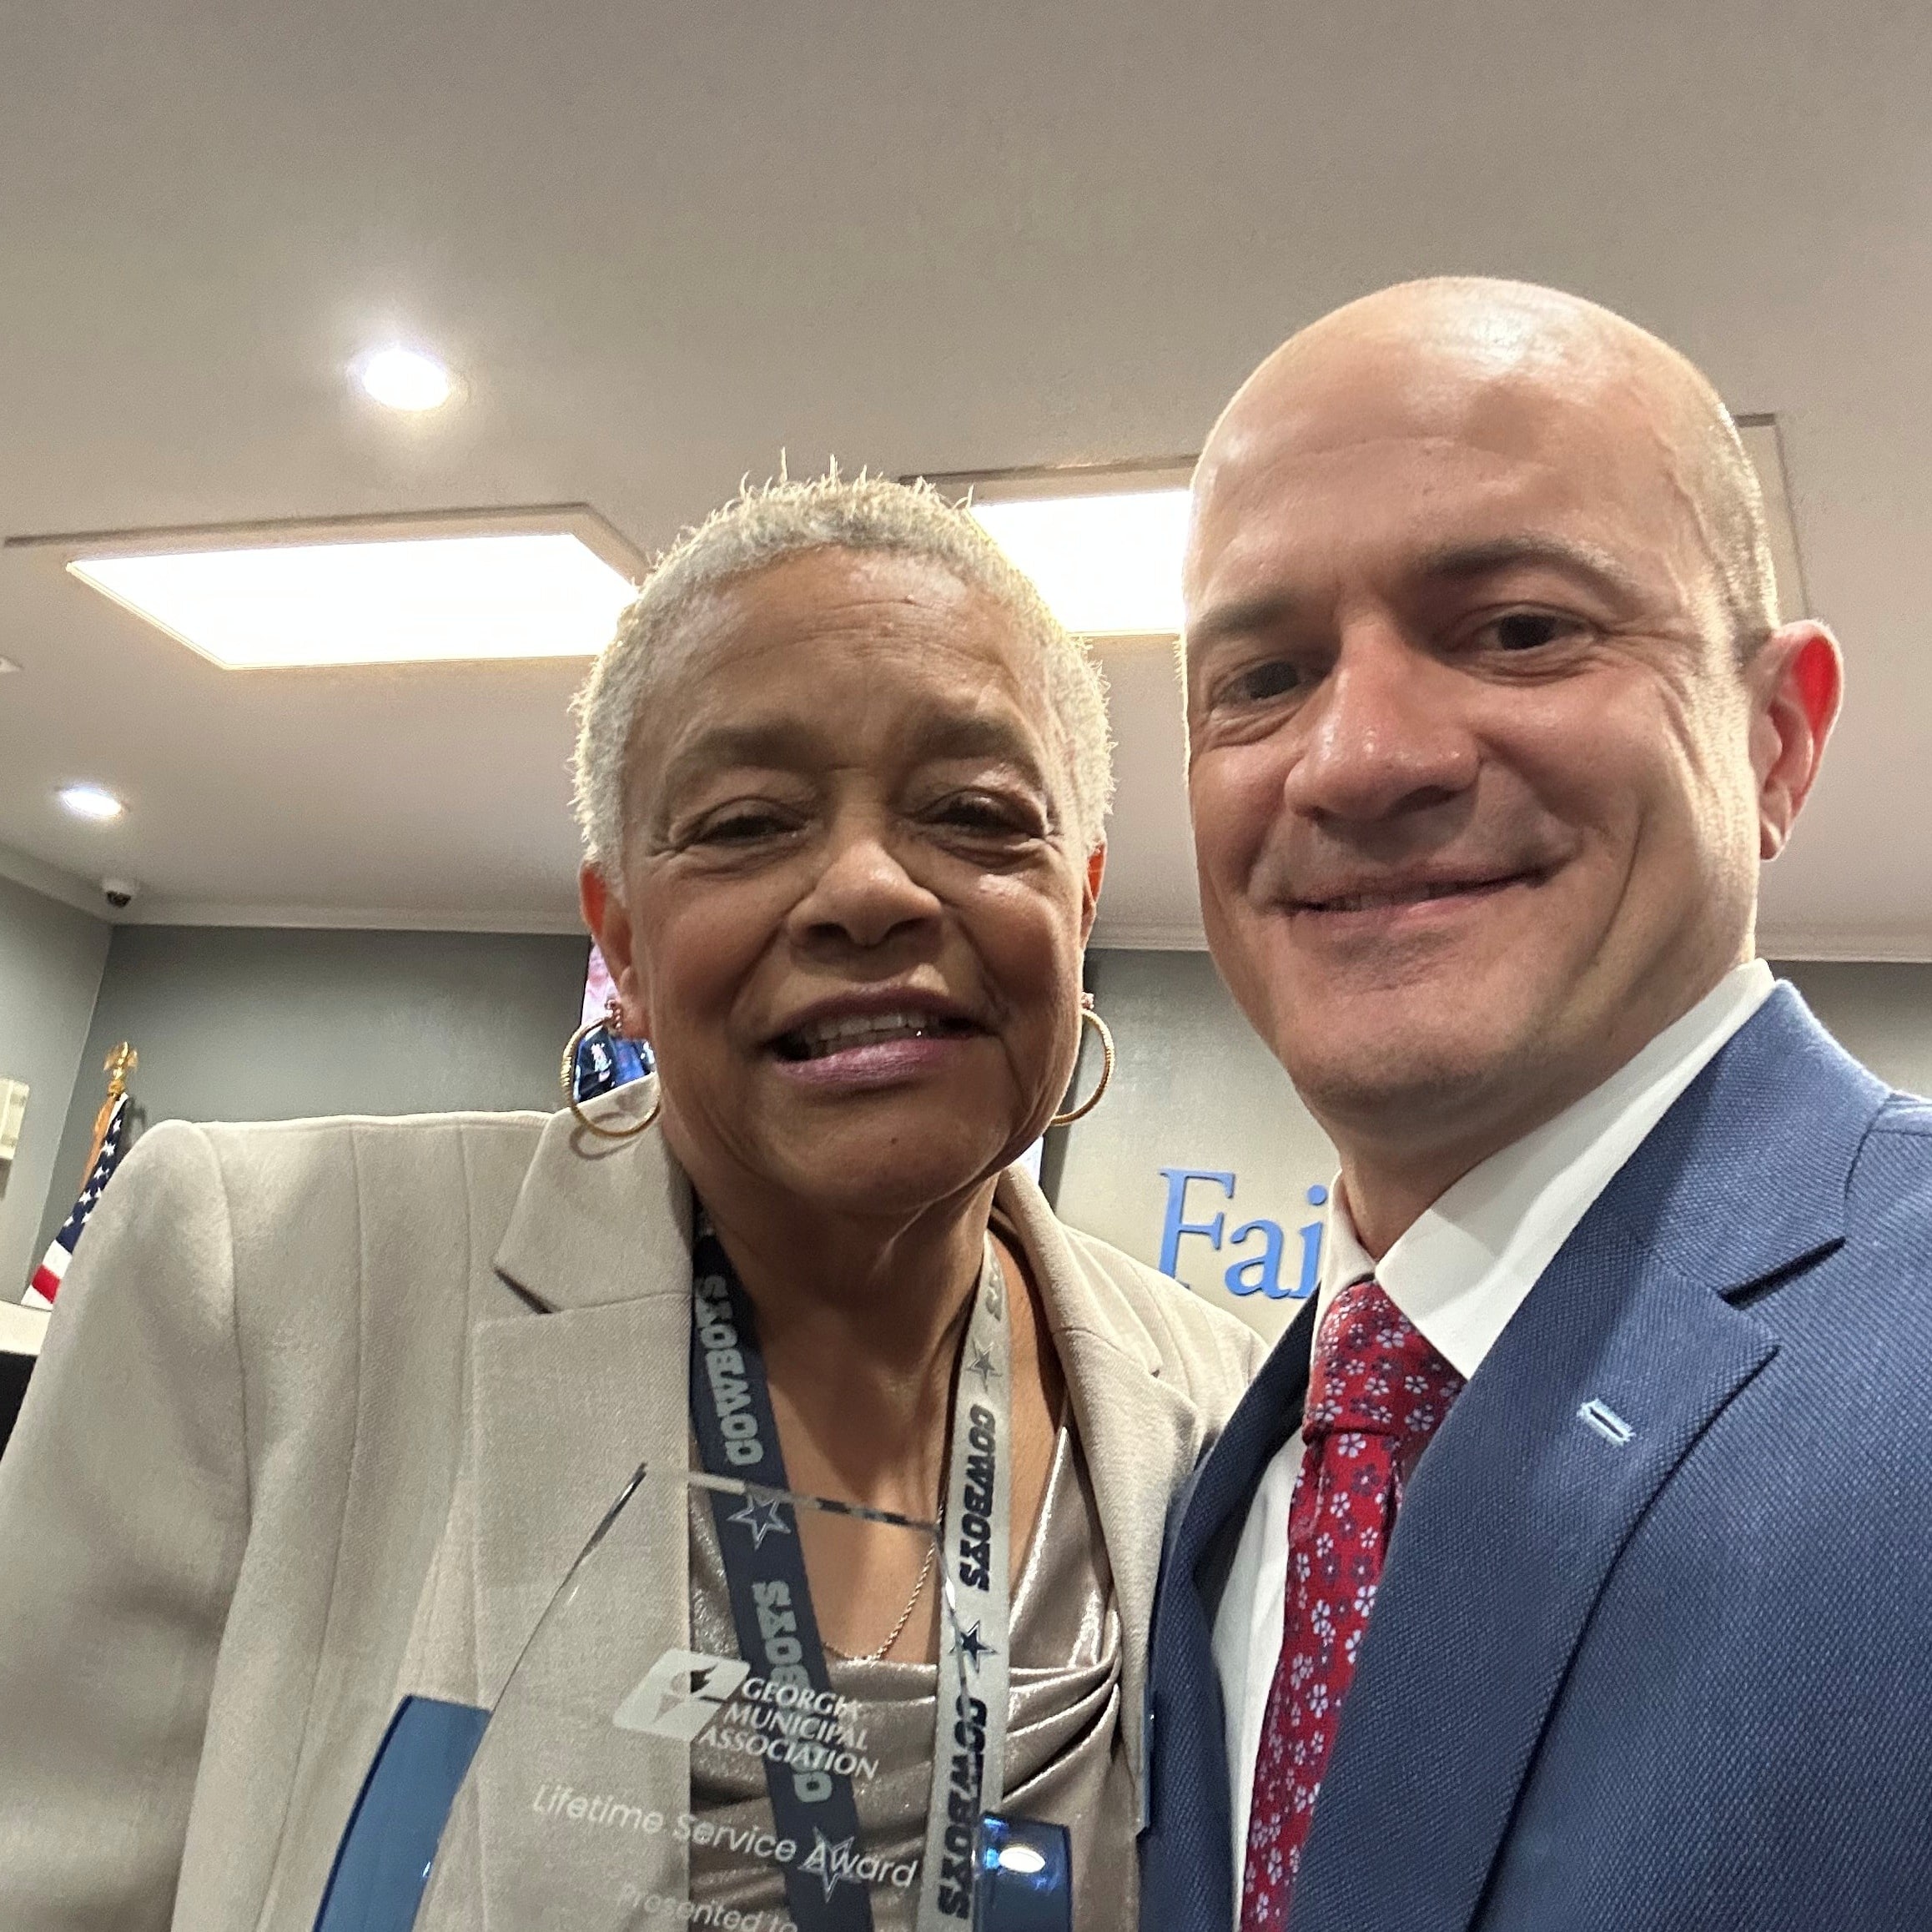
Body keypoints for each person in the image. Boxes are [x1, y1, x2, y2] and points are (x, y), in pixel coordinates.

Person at [0, 474, 1264, 1931]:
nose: (866, 888)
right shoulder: (263, 1276)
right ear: (627, 943)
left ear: (1080, 902)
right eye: (745, 821)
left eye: (976, 811)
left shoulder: (1218, 1413)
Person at [1140, 277, 1932, 1932]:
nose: (1358, 758)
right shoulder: (1225, 1478)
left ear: (1777, 741)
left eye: (1518, 630)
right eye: (1265, 673)